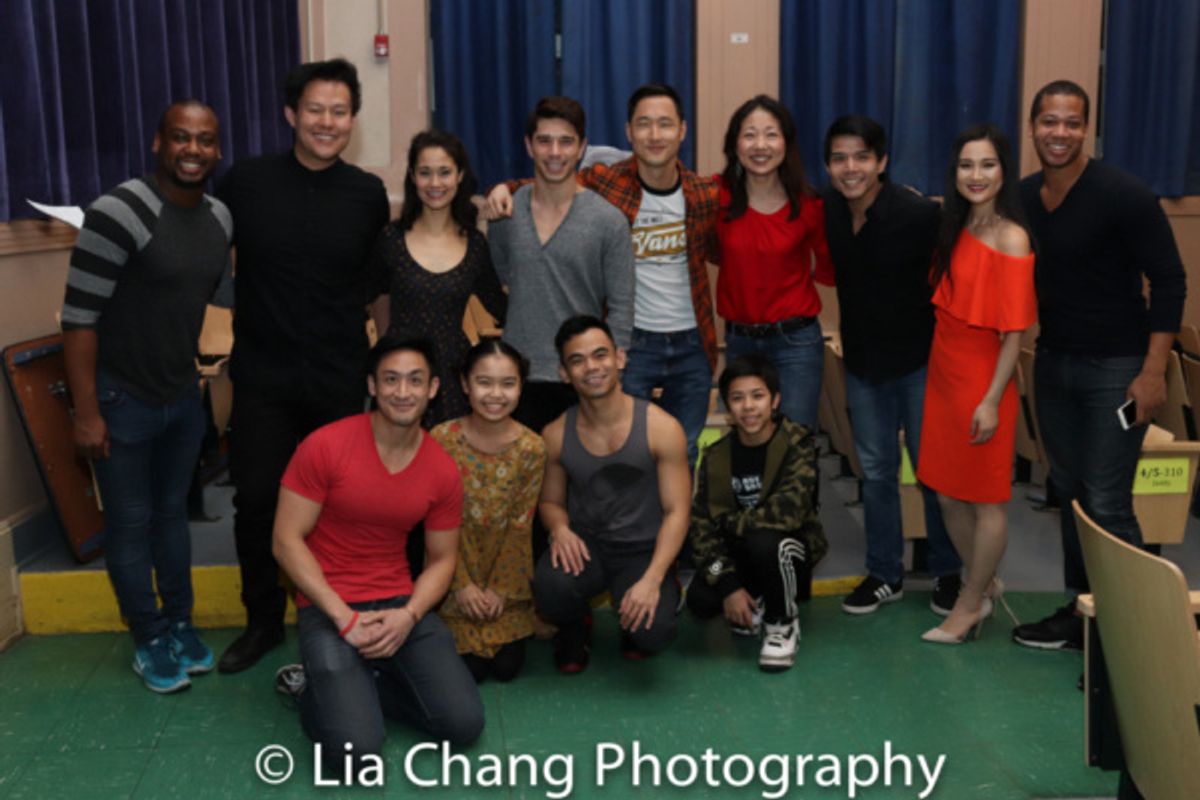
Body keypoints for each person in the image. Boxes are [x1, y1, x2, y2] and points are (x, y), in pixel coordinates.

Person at [216, 58, 390, 673]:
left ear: (352, 120)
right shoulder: (246, 181)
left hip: (339, 376)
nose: (326, 121)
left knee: (339, 508)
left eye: (339, 111)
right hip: (262, 376)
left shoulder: (367, 194)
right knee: (258, 501)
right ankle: (262, 621)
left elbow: (378, 289)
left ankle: (334, 615)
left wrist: (390, 372)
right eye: (314, 109)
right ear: (291, 114)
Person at [61, 101, 232, 692]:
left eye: (205, 140)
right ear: (158, 143)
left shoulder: (219, 219)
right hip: (120, 399)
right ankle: (149, 637)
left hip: (182, 395)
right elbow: (79, 319)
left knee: (171, 520)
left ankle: (180, 624)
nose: (193, 150)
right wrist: (86, 413)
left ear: (217, 149)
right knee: (131, 526)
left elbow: (218, 301)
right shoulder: (118, 212)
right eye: (181, 138)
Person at [1012, 81, 1186, 651]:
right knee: (1072, 491)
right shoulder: (1024, 196)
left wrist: (1154, 371)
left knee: (1108, 499)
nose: (1059, 133)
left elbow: (1170, 280)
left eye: (1071, 122)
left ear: (1086, 128)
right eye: (1048, 121)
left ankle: (1127, 634)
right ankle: (1084, 613)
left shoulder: (1123, 194)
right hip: (1054, 364)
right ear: (1032, 126)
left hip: (1118, 369)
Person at [272, 334, 483, 770]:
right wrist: (343, 618)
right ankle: (315, 687)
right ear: (372, 385)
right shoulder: (325, 445)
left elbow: (443, 559)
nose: (402, 392)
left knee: (462, 725)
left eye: (413, 380)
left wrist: (408, 616)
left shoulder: (441, 470)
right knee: (355, 753)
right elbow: (285, 540)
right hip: (328, 603)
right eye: (390, 379)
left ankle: (356, 683)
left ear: (433, 388)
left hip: (398, 603)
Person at [486, 84, 720, 465]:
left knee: (682, 451)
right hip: (622, 347)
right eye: (644, 124)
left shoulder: (703, 195)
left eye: (665, 124)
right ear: (628, 132)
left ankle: (675, 526)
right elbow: (550, 183)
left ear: (683, 130)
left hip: (684, 343)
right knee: (619, 457)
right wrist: (505, 187)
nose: (655, 135)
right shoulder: (608, 184)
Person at [821, 116, 963, 616]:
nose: (850, 167)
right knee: (876, 473)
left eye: (861, 156)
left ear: (881, 162)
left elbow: (962, 260)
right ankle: (885, 574)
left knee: (932, 472)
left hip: (920, 364)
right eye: (839, 158)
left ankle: (950, 573)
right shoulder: (830, 211)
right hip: (862, 365)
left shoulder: (917, 214)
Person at [917, 124, 1036, 644]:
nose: (976, 175)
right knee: (945, 494)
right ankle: (983, 582)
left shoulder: (1012, 237)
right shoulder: (956, 224)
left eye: (987, 164)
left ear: (1004, 171)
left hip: (985, 382)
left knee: (986, 500)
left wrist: (990, 401)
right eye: (967, 165)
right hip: (944, 375)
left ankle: (970, 603)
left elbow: (1014, 335)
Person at [533, 316, 691, 673]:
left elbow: (678, 512)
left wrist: (652, 579)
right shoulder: (555, 433)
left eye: (600, 355)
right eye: (577, 360)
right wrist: (559, 529)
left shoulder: (662, 428)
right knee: (549, 586)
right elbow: (551, 501)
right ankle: (576, 625)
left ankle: (657, 594)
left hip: (643, 550)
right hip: (589, 547)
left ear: (620, 358)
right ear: (563, 373)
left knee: (653, 634)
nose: (591, 367)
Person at [486, 96, 635, 439]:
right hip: (517, 376)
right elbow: (502, 277)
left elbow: (623, 306)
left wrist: (611, 373)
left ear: (582, 148)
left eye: (566, 141)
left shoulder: (608, 221)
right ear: (529, 146)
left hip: (581, 376)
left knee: (580, 487)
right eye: (544, 141)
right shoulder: (506, 213)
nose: (555, 152)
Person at [687, 355, 826, 671]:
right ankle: (755, 597)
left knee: (767, 542)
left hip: (791, 549)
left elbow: (788, 513)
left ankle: (782, 623)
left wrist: (730, 523)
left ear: (774, 400)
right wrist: (729, 586)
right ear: (727, 408)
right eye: (737, 398)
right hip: (742, 551)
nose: (748, 406)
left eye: (757, 396)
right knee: (701, 600)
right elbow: (701, 527)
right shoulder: (716, 456)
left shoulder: (797, 442)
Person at [370, 130, 507, 427]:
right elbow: (376, 295)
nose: (435, 184)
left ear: (459, 176)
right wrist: (386, 347)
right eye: (425, 173)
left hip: (452, 378)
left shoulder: (475, 244)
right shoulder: (390, 239)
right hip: (400, 378)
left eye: (444, 172)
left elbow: (502, 308)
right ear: (412, 176)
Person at [716, 95, 834, 429]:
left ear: (786, 143)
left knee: (795, 445)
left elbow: (828, 269)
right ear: (735, 144)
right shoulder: (717, 197)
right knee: (749, 443)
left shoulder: (810, 205)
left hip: (795, 344)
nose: (760, 144)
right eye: (750, 134)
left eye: (771, 134)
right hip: (739, 342)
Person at [431, 338, 545, 683]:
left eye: (507, 384)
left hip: (503, 576)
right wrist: (461, 585)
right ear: (465, 384)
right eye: (484, 382)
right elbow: (436, 521)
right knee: (471, 671)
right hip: (452, 571)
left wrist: (499, 589)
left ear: (521, 387)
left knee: (505, 668)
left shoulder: (532, 448)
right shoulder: (441, 439)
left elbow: (521, 524)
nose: (496, 394)